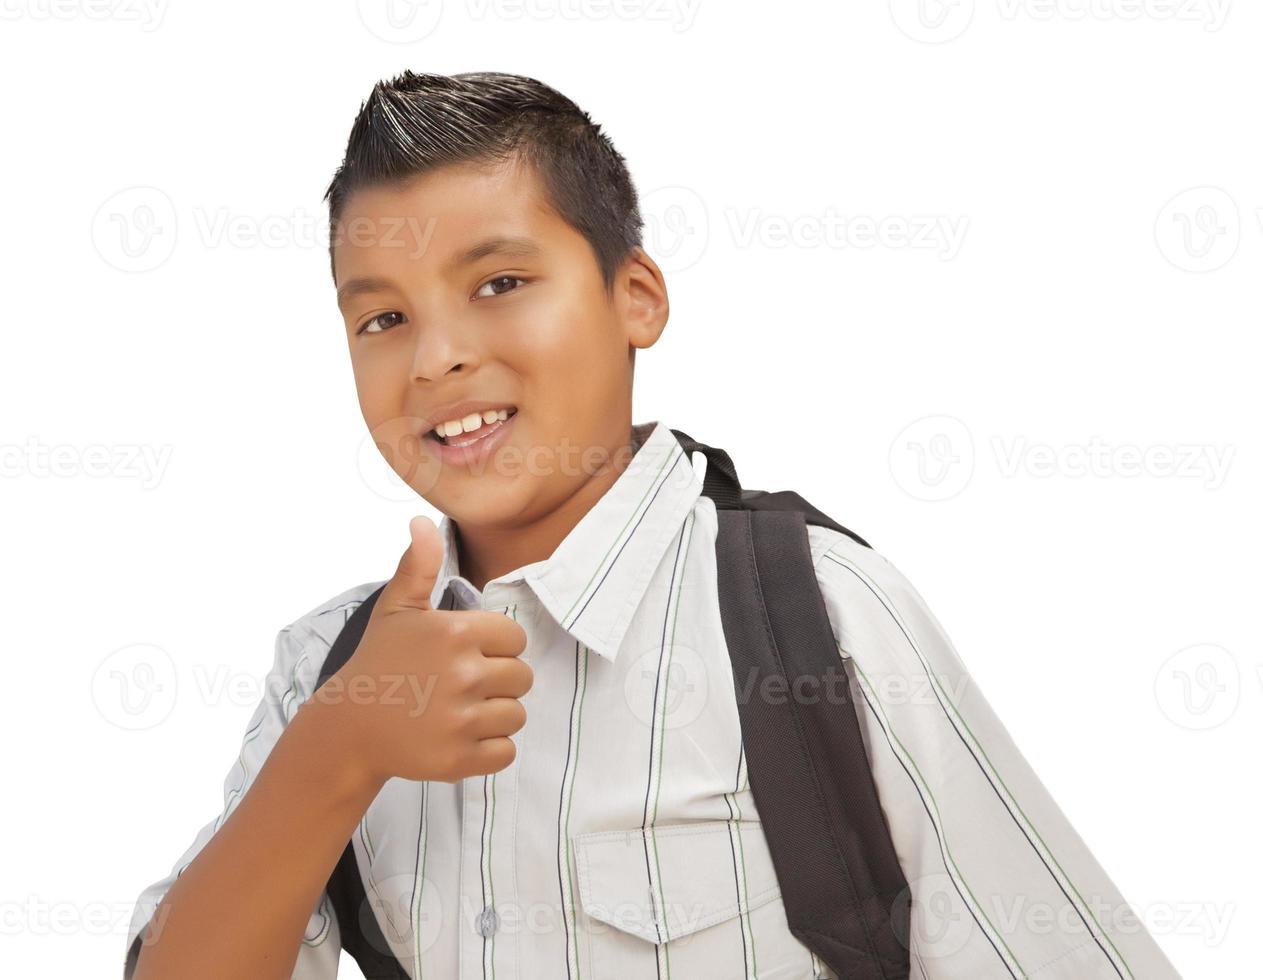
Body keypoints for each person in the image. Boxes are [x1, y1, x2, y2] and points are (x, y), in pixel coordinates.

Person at [123, 70, 1182, 979]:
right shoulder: (330, 667)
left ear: (637, 297)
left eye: (500, 281)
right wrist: (336, 751)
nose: (436, 354)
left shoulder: (813, 615)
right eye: (383, 317)